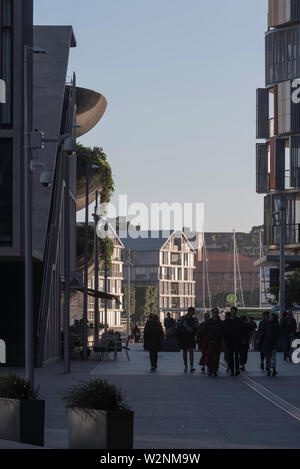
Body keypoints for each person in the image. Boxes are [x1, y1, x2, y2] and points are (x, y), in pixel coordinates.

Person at [176, 307, 198, 372]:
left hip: (191, 336)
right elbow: (177, 326)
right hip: (184, 337)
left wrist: (193, 330)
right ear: (189, 311)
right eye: (192, 312)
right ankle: (185, 366)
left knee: (191, 351)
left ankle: (191, 366)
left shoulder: (194, 319)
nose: (193, 313)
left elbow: (197, 327)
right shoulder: (182, 318)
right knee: (185, 351)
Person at [223, 307, 243, 376]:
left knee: (237, 356)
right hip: (229, 341)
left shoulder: (239, 321)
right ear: (231, 312)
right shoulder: (226, 321)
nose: (233, 313)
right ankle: (232, 370)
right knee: (230, 356)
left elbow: (241, 331)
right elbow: (224, 331)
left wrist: (241, 340)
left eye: (234, 311)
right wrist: (224, 340)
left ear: (236, 312)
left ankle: (237, 370)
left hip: (237, 341)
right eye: (232, 311)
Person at [205, 308, 223, 377]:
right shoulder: (209, 322)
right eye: (214, 312)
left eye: (216, 312)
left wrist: (220, 337)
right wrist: (209, 337)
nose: (215, 314)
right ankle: (210, 369)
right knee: (210, 356)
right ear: (212, 313)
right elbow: (205, 331)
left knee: (217, 357)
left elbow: (222, 331)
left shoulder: (220, 322)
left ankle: (215, 370)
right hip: (210, 341)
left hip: (218, 341)